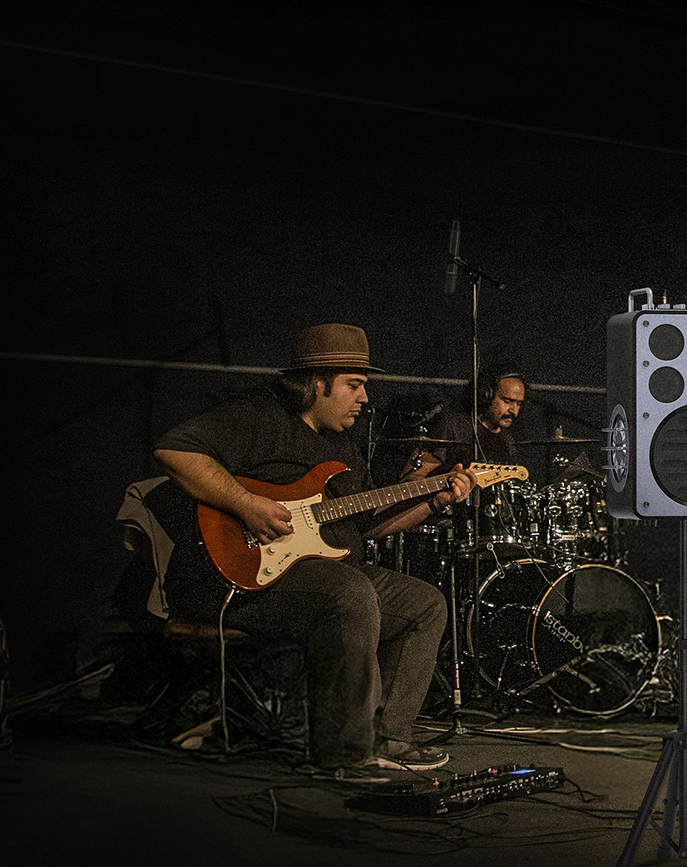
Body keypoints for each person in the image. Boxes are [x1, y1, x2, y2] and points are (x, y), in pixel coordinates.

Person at [152, 324, 474, 773]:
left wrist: (433, 501)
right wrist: (245, 504)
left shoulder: (342, 445)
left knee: (424, 604)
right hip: (246, 580)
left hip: (324, 572)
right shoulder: (255, 415)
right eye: (354, 385)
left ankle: (388, 738)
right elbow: (174, 451)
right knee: (348, 592)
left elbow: (368, 526)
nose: (364, 398)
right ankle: (347, 752)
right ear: (317, 383)